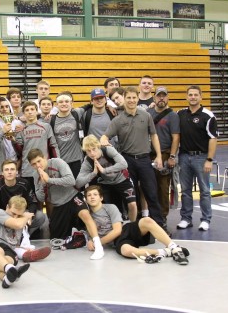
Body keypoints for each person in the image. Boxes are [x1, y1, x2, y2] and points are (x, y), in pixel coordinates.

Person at [102, 86, 166, 229]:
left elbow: (154, 136)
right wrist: (105, 142)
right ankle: (136, 227)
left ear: (138, 99)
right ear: (124, 99)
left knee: (151, 193)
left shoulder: (146, 116)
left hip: (145, 160)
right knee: (131, 196)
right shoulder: (118, 120)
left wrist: (159, 156)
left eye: (133, 98)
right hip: (127, 161)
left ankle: (159, 225)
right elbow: (104, 137)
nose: (131, 100)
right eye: (128, 98)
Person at [27, 148, 104, 260]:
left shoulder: (57, 162)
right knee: (56, 241)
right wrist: (43, 185)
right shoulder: (35, 175)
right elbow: (40, 198)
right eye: (34, 164)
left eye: (39, 161)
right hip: (58, 205)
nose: (38, 165)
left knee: (85, 215)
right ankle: (79, 235)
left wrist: (49, 180)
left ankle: (98, 246)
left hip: (72, 197)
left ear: (45, 157)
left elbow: (71, 181)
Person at [84, 185, 189, 265]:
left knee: (146, 220)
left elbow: (117, 230)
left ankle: (174, 247)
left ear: (101, 198)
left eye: (95, 194)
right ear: (86, 200)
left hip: (125, 230)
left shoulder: (110, 207)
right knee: (126, 251)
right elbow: (91, 233)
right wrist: (90, 241)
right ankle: (166, 252)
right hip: (118, 241)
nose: (92, 197)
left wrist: (98, 243)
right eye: (89, 195)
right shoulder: (86, 216)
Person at [177, 85, 218, 231]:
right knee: (185, 190)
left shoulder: (208, 115)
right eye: (190, 95)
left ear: (201, 97)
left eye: (196, 95)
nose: (193, 97)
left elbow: (213, 139)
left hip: (201, 157)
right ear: (186, 96)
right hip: (184, 157)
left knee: (205, 190)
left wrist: (209, 159)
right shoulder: (180, 114)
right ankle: (186, 218)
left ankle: (206, 219)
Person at [76, 135, 137, 222]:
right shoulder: (88, 161)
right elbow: (78, 183)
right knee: (111, 210)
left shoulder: (108, 150)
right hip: (106, 183)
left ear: (98, 147)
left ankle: (132, 228)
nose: (92, 153)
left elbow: (124, 164)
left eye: (94, 149)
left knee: (132, 204)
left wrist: (104, 170)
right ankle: (116, 228)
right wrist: (93, 173)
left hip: (121, 179)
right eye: (88, 151)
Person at [0, 160, 48, 244]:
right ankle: (9, 237)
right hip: (7, 215)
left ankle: (27, 235)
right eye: (6, 170)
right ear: (2, 173)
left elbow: (33, 202)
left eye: (12, 169)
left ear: (17, 172)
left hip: (22, 214)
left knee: (40, 216)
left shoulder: (24, 183)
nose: (9, 172)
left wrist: (28, 215)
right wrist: (9, 216)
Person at [147, 86, 180, 227]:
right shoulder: (148, 113)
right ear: (154, 98)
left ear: (167, 98)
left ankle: (162, 218)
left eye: (164, 96)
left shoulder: (172, 116)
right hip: (148, 154)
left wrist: (172, 156)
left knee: (163, 187)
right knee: (148, 187)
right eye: (159, 95)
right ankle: (149, 215)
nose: (161, 98)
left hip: (165, 153)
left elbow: (176, 137)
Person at [12, 101, 59, 190]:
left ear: (37, 111)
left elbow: (53, 146)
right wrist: (13, 141)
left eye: (32, 109)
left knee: (48, 198)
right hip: (28, 170)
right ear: (24, 113)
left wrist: (57, 163)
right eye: (27, 110)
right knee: (30, 199)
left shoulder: (46, 126)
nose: (30, 112)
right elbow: (20, 152)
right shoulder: (20, 130)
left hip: (45, 168)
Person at [50, 91, 84, 178]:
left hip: (77, 160)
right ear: (56, 105)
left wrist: (109, 106)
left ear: (72, 104)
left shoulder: (77, 113)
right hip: (61, 161)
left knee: (78, 187)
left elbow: (90, 105)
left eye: (67, 101)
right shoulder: (51, 120)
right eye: (61, 102)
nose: (64, 104)